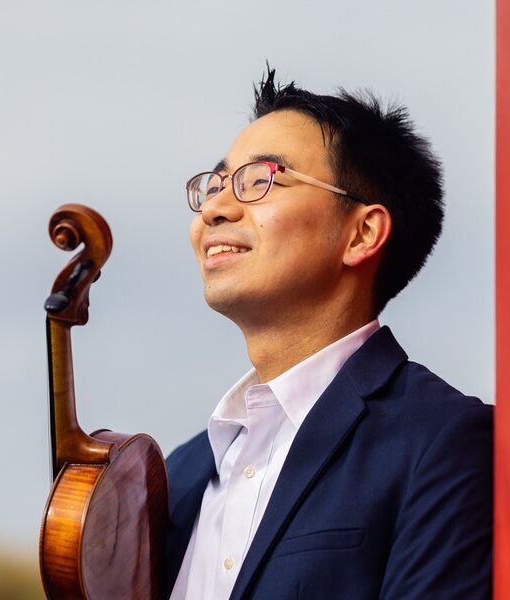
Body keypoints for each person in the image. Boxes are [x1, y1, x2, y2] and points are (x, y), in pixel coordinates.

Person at [164, 68, 492, 600]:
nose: (215, 209)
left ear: (362, 233)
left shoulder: (443, 442)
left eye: (261, 179)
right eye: (216, 184)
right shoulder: (178, 476)